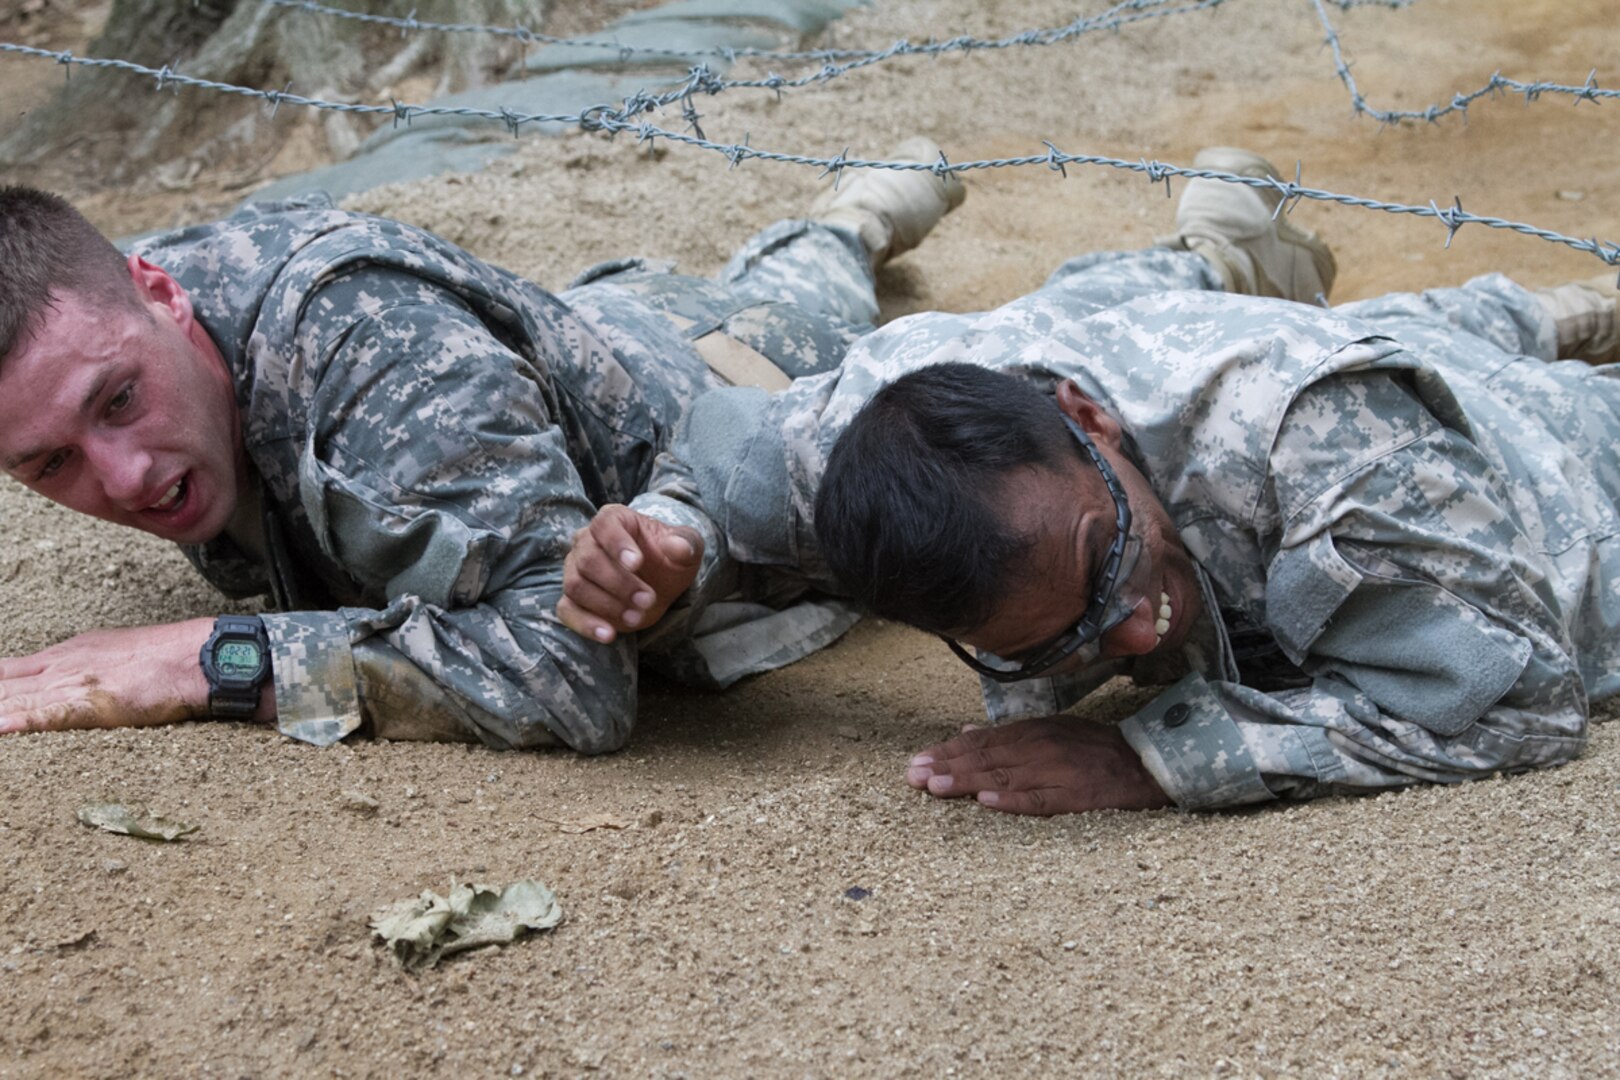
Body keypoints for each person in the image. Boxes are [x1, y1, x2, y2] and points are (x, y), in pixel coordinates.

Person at [561, 147, 1620, 812]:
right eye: (1064, 641)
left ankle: (1545, 319)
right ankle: (1520, 312)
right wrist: (666, 556)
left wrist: (1152, 757)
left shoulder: (1330, 448)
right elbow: (717, 469)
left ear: (1085, 420)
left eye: (1105, 563)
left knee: (1530, 395)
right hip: (1284, 346)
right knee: (1402, 339)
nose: (1137, 636)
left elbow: (1521, 702)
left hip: (1551, 457)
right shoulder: (856, 436)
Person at [0, 139, 964, 749]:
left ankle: (858, 216)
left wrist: (208, 661)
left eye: (119, 400)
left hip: (726, 372)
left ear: (161, 295)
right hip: (580, 335)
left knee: (819, 302)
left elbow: (571, 674)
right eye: (51, 463)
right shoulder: (91, 309)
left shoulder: (366, 341)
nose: (119, 478)